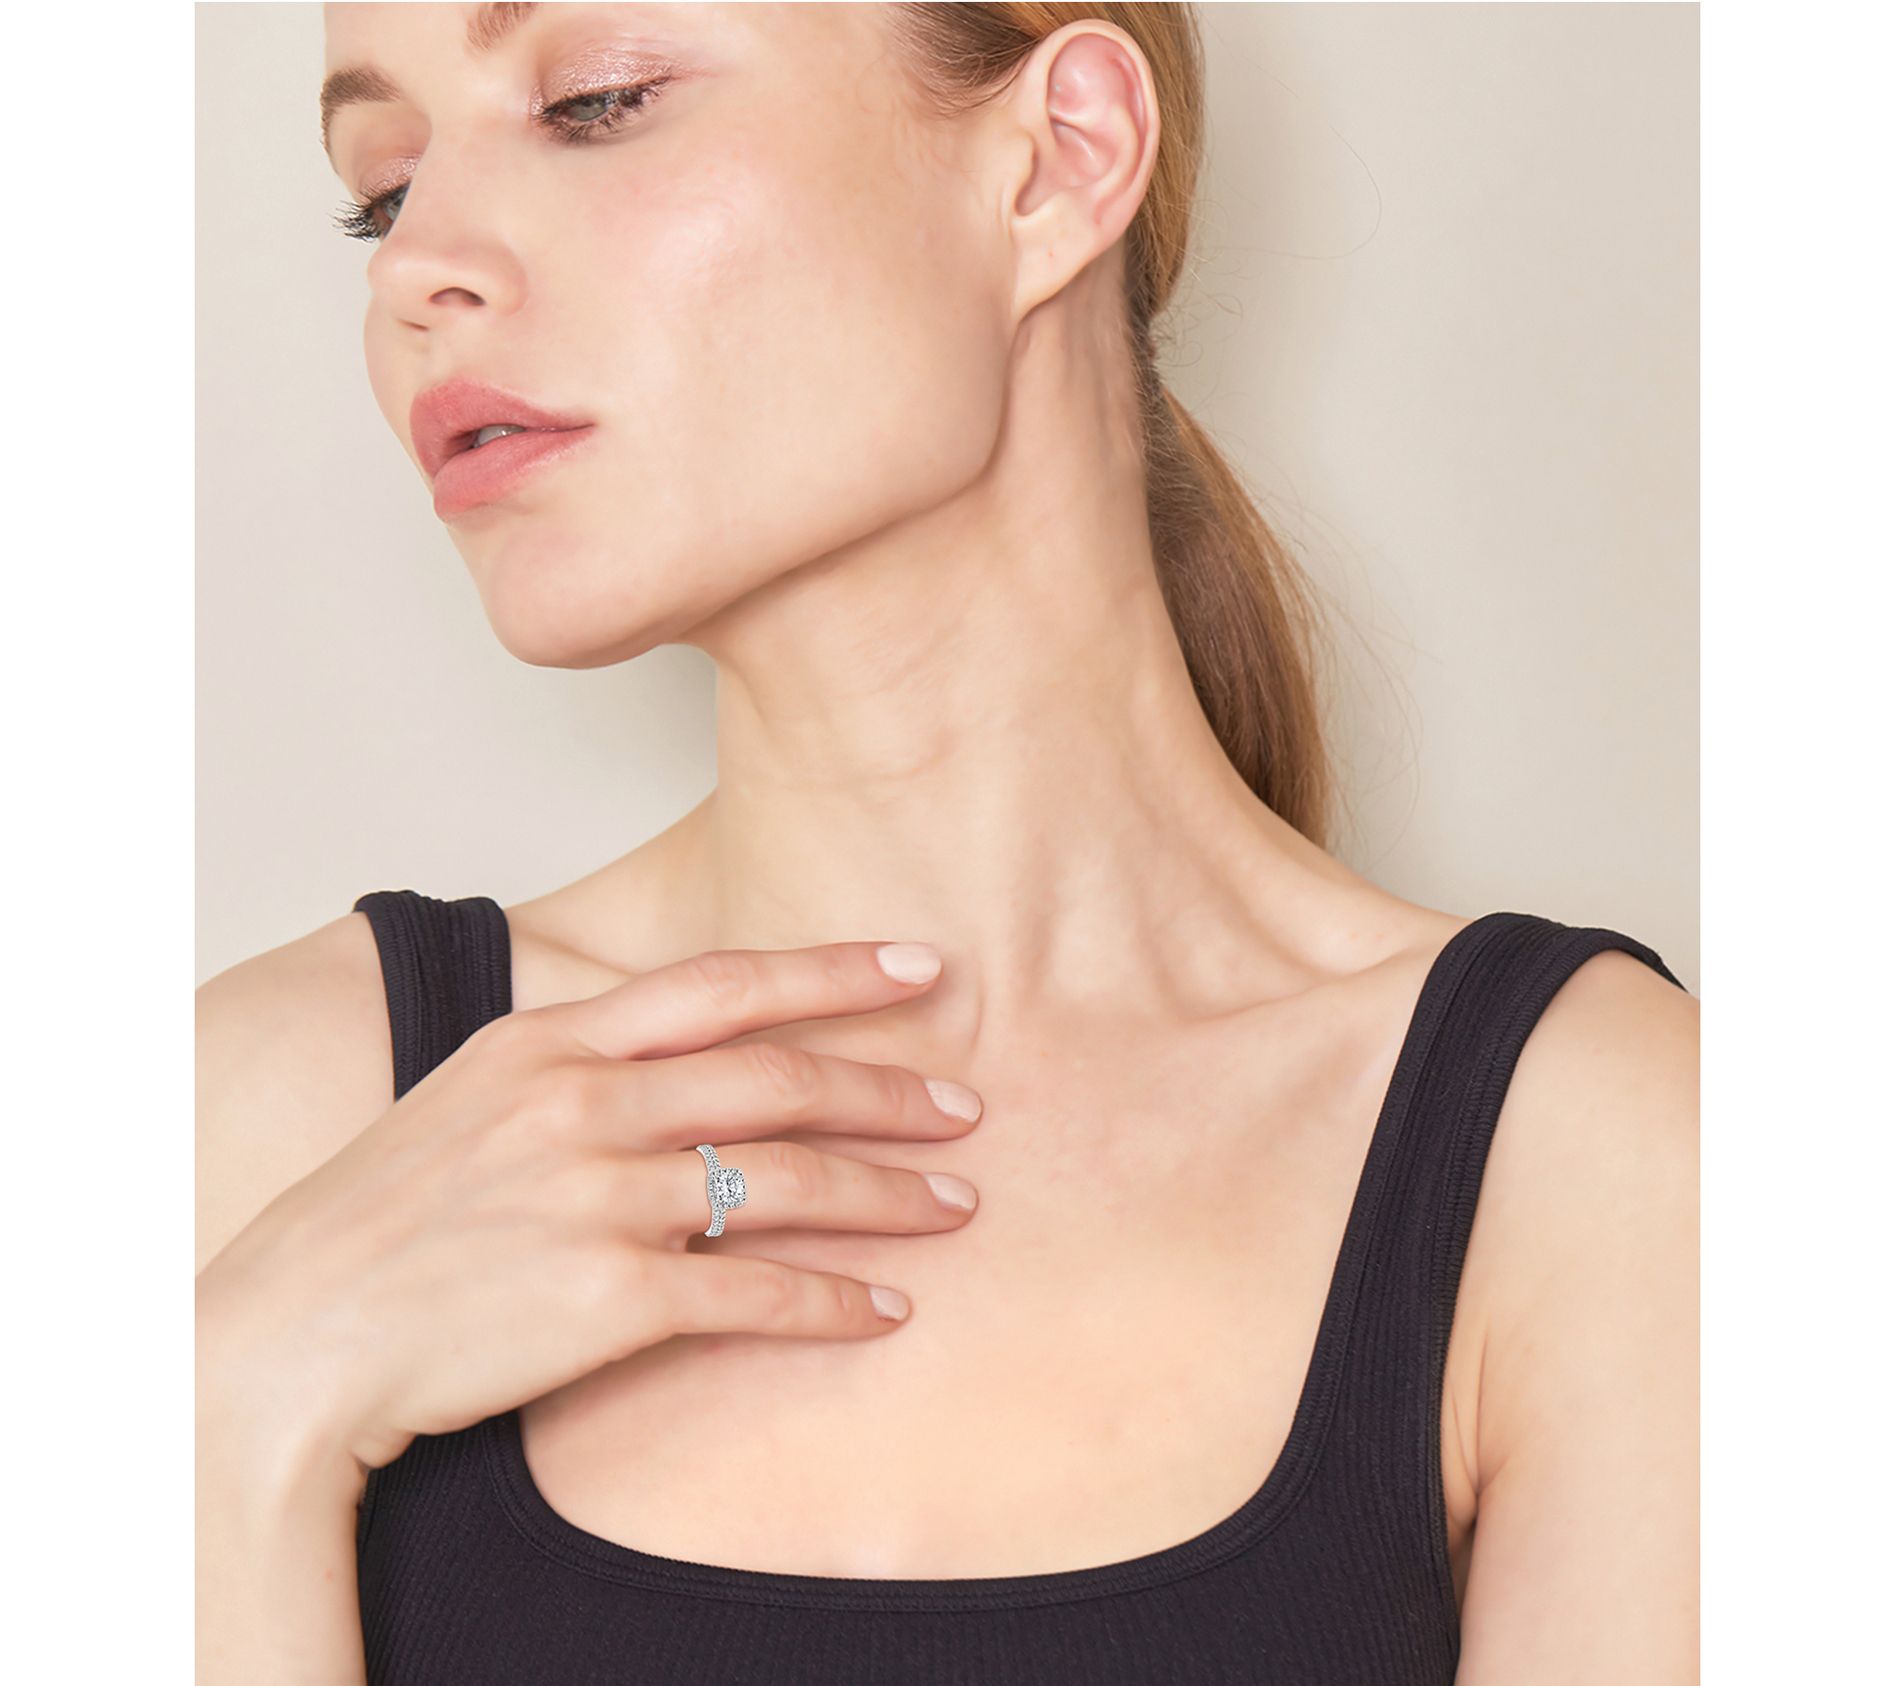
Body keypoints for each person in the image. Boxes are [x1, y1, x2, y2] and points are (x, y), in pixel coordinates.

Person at [195, 4, 1698, 1682]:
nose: (419, 269)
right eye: (383, 188)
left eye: (597, 102)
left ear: (1058, 158)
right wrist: (233, 1421)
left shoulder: (1599, 1162)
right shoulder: (279, 1130)